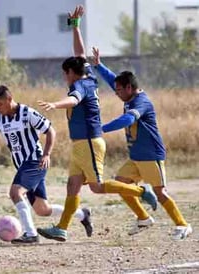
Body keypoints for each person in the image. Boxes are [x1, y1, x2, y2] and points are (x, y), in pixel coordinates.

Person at [36, 5, 158, 242]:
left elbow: (74, 99)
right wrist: (75, 27)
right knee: (73, 187)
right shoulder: (87, 75)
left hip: (90, 143)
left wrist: (55, 104)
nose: (64, 77)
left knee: (98, 187)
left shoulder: (80, 86)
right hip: (81, 144)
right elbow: (80, 53)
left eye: (65, 73)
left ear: (71, 73)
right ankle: (62, 228)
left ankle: (142, 191)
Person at [0, 85, 93, 244]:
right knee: (42, 209)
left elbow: (50, 131)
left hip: (35, 161)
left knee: (15, 192)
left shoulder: (27, 113)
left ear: (9, 99)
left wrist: (47, 154)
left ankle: (31, 234)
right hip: (23, 166)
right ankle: (83, 214)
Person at [91, 46, 192, 240]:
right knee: (122, 183)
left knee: (160, 192)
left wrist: (101, 129)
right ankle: (143, 218)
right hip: (136, 156)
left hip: (151, 155)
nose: (116, 93)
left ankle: (183, 225)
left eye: (119, 90)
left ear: (129, 88)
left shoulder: (141, 102)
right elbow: (114, 81)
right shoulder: (128, 93)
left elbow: (128, 120)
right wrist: (99, 66)